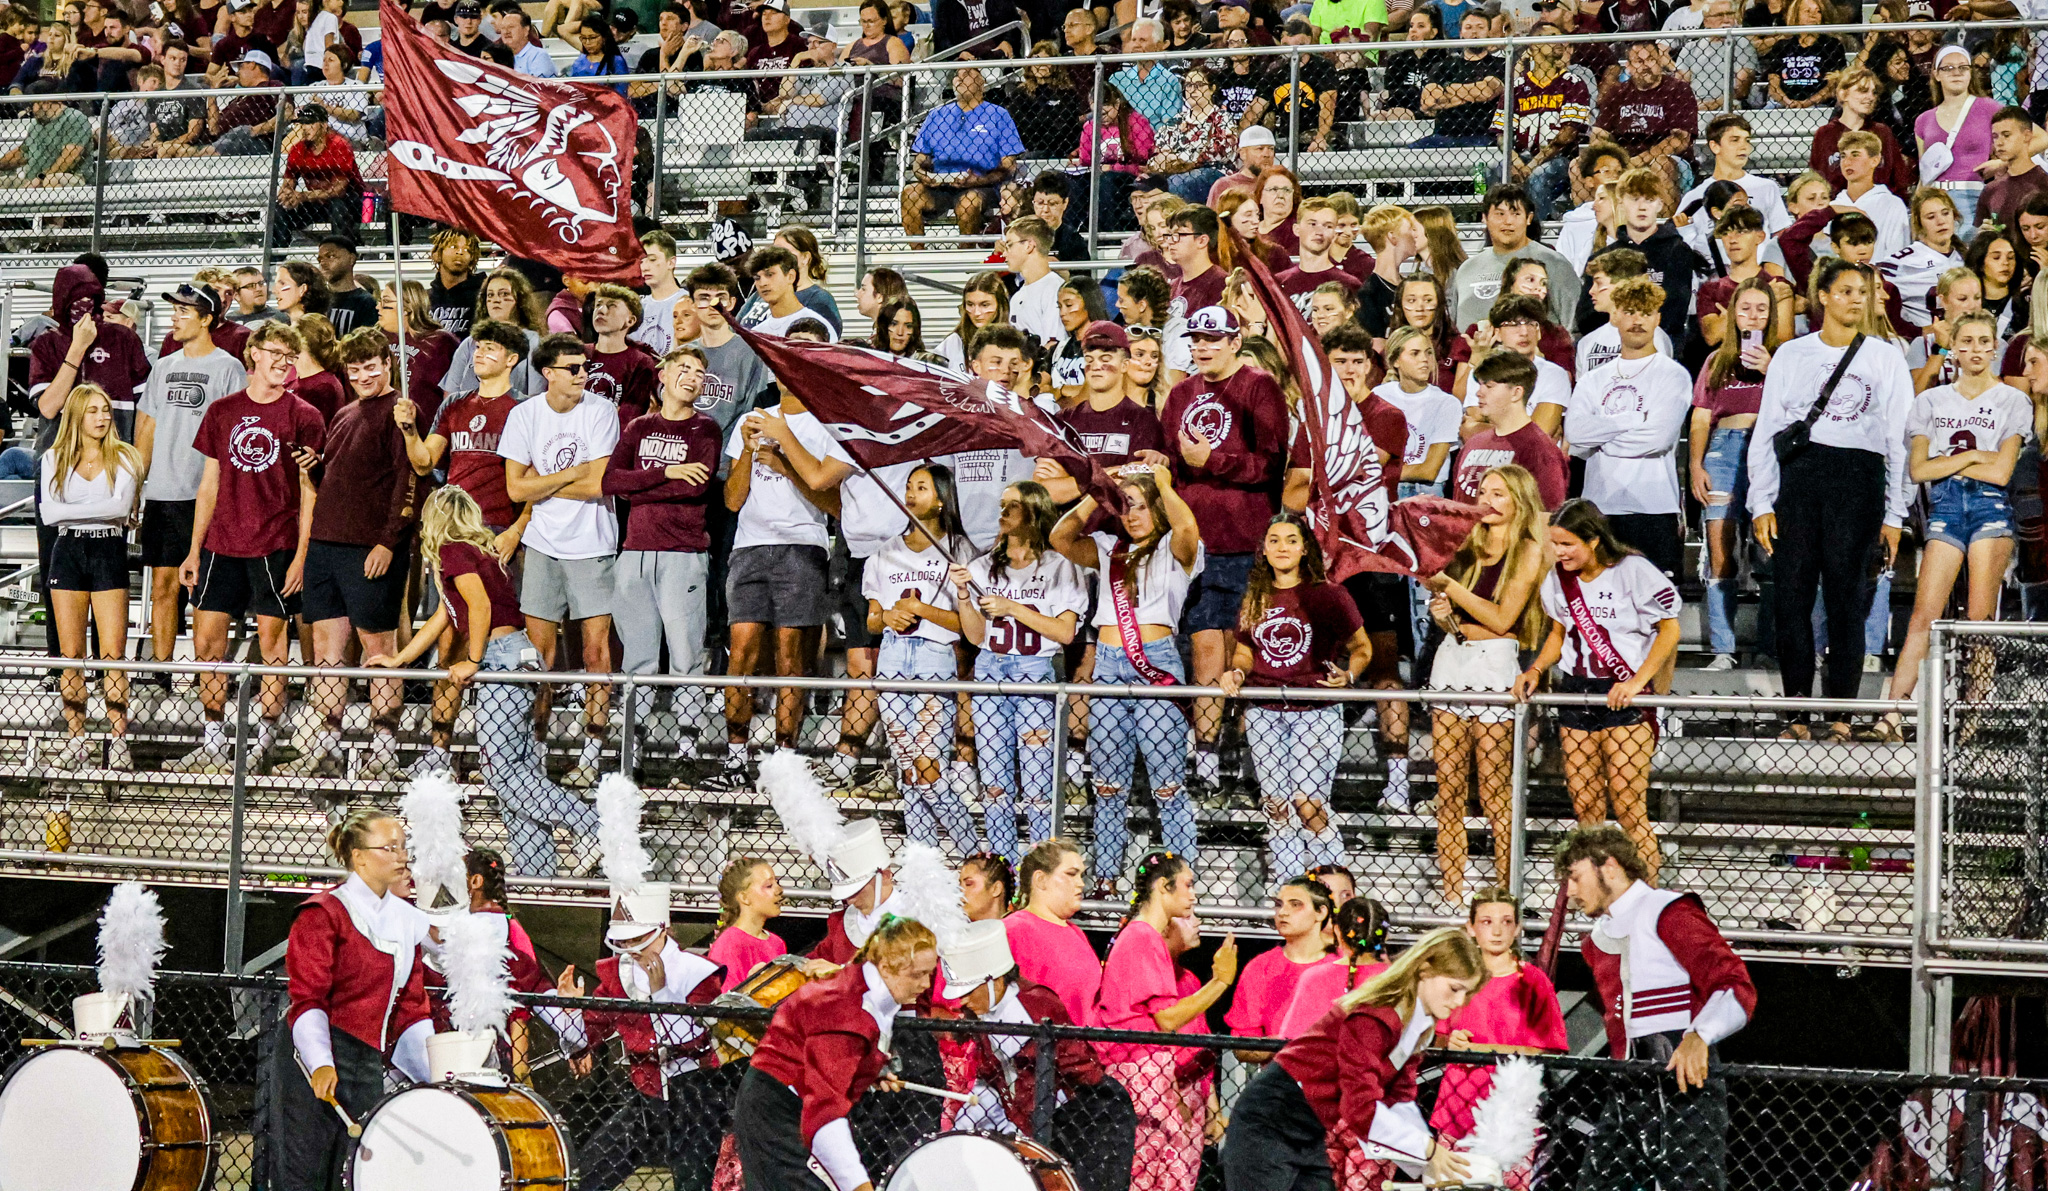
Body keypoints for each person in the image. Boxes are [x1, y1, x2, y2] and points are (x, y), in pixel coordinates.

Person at [370, 485, 601, 873]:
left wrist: (473, 660)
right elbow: (447, 614)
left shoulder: (453, 551)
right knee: (519, 771)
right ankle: (537, 869)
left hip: (501, 658)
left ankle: (593, 828)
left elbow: (479, 606)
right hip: (516, 654)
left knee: (503, 772)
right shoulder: (478, 551)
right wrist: (400, 659)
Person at [1748, 258, 1914, 740]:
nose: (1855, 300)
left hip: (1858, 478)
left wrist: (1894, 511)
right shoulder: (1793, 354)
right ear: (1822, 296)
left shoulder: (1884, 357)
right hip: (1800, 478)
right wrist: (1762, 501)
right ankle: (1797, 713)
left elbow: (1898, 440)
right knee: (1792, 598)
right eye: (1844, 291)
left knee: (1847, 599)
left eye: (1862, 292)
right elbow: (1767, 430)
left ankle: (1841, 713)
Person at [1559, 824, 1756, 1191]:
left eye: (1574, 877)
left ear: (1611, 866)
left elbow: (1734, 983)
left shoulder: (1668, 911)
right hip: (1628, 1082)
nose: (1568, 892)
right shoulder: (1597, 939)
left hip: (1683, 1074)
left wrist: (1700, 1035)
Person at [163, 321, 321, 776]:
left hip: (275, 543)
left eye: (290, 357)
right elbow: (208, 484)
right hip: (221, 544)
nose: (282, 363)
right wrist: (194, 549)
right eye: (275, 353)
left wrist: (302, 556)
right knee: (206, 640)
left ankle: (264, 740)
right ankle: (213, 740)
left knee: (273, 645)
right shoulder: (223, 410)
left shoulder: (304, 415)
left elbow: (310, 493)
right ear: (253, 354)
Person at [1222, 926, 1484, 1191]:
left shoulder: (1418, 1025)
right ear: (1424, 969)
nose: (1460, 1002)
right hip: (1271, 1118)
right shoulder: (1378, 1014)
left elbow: (1398, 1100)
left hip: (1308, 1127)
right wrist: (1427, 1150)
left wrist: (1432, 1162)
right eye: (1454, 988)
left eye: (1467, 993)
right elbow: (1361, 1106)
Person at [1874, 310, 2032, 735]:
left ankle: (1971, 720)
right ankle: (1892, 713)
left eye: (1985, 341)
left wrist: (1952, 464)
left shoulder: (2013, 400)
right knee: (1924, 615)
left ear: (1995, 347)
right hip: (1945, 508)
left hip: (1990, 508)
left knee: (1980, 618)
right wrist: (1971, 457)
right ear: (1955, 349)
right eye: (1968, 342)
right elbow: (1919, 470)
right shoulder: (1930, 400)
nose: (1977, 349)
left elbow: (2002, 472)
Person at [710, 324, 853, 789]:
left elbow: (835, 506)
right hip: (748, 548)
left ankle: (786, 760)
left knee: (793, 660)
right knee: (742, 653)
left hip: (803, 547)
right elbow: (731, 501)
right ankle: (736, 757)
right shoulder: (754, 419)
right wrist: (751, 455)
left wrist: (786, 465)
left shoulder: (831, 424)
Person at [1161, 305, 1290, 798]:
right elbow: (1173, 465)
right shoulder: (1179, 394)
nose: (1202, 347)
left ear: (1237, 341)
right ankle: (1209, 756)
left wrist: (1212, 460)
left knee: (1244, 650)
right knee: (1203, 647)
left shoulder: (1259, 387)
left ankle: (1248, 756)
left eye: (1213, 339)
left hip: (1245, 541)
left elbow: (1271, 464)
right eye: (1196, 339)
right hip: (1194, 544)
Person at [1051, 467, 1203, 886]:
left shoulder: (1176, 547)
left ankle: (1182, 881)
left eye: (1140, 506)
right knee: (1107, 787)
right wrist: (1097, 494)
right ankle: (1105, 879)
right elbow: (1060, 538)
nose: (1131, 515)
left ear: (1157, 507)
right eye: (1124, 506)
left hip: (1155, 663)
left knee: (1168, 787)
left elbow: (1186, 524)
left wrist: (1165, 484)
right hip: (1108, 665)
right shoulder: (1107, 547)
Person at [1515, 499, 1681, 881]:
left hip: (1623, 696)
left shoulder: (1633, 571)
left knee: (1628, 807)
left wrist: (1638, 681)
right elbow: (1559, 631)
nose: (1559, 552)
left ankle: (1647, 899)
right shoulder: (1558, 578)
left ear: (1592, 540)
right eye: (1554, 544)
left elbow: (1669, 628)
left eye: (1567, 544)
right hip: (1577, 693)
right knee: (1586, 808)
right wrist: (1538, 668)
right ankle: (1596, 895)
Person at [282, 329, 421, 783]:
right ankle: (326, 746)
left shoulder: (401, 414)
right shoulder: (343, 413)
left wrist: (388, 541)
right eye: (355, 369)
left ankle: (383, 748)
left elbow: (410, 481)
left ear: (388, 362)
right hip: (326, 545)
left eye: (371, 366)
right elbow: (337, 481)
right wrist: (315, 466)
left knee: (380, 650)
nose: (364, 375)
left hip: (369, 549)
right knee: (326, 649)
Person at [276, 808, 433, 1191]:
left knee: (356, 1173)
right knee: (305, 1172)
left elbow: (410, 1007)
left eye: (403, 847)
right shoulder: (323, 913)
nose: (402, 857)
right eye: (389, 848)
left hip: (365, 1059)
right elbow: (307, 999)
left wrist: (434, 1077)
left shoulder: (407, 919)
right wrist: (320, 1064)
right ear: (359, 856)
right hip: (316, 1055)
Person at [543, 886, 728, 1191]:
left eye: (637, 939)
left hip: (696, 1099)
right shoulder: (618, 975)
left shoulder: (697, 972)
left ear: (662, 928)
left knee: (693, 1182)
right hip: (644, 1098)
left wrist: (662, 995)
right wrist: (570, 1011)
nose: (631, 948)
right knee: (587, 1177)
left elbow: (692, 1039)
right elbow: (588, 1034)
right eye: (624, 941)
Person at [734, 916, 938, 1191]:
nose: (926, 984)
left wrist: (870, 1071)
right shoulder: (846, 1014)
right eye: (917, 975)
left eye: (929, 973)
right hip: (776, 1105)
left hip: (789, 1096)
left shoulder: (866, 985)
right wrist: (860, 1186)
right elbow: (824, 1117)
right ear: (888, 967)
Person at [498, 332, 621, 790]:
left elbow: (597, 485)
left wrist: (543, 479)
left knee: (595, 653)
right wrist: (574, 472)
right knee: (539, 657)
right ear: (547, 373)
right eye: (573, 369)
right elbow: (514, 490)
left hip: (592, 543)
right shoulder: (524, 414)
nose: (583, 375)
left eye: (584, 367)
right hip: (543, 544)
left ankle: (593, 751)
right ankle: (536, 749)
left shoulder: (600, 410)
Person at [1218, 515, 1369, 878]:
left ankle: (1332, 884)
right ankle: (1287, 887)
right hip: (1265, 710)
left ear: (1305, 549)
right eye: (1274, 540)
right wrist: (1236, 670)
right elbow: (1245, 649)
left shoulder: (1329, 594)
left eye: (1290, 540)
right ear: (1264, 549)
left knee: (1308, 804)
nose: (1282, 547)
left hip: (1314, 710)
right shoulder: (1255, 595)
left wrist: (1348, 675)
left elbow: (1362, 647)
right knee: (1276, 805)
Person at [1424, 466, 1549, 904]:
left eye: (1500, 493)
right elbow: (1455, 614)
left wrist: (1450, 588)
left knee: (1496, 790)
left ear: (1519, 500)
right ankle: (1452, 894)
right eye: (1483, 491)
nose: (1488, 499)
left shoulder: (1530, 549)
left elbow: (1501, 619)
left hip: (1495, 666)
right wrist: (1443, 613)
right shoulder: (1467, 545)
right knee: (1448, 788)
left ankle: (1504, 892)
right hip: (1452, 659)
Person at [950, 481, 1085, 862]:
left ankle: (1041, 865)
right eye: (1002, 504)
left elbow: (1065, 631)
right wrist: (964, 596)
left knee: (1038, 780)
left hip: (1035, 671)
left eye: (1014, 505)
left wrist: (1015, 608)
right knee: (994, 781)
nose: (1003, 511)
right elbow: (976, 637)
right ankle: (1003, 864)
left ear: (1035, 512)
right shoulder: (981, 567)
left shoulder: (1059, 566)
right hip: (991, 668)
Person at [1094, 850, 1237, 1191]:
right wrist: (1220, 981)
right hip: (1139, 1071)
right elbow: (1167, 1019)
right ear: (1163, 887)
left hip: (1147, 1071)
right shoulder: (1143, 936)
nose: (1193, 894)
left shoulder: (1145, 936)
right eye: (1187, 885)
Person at [602, 345, 722, 738]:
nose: (692, 376)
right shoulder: (638, 427)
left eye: (699, 372)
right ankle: (629, 751)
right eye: (684, 368)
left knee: (685, 657)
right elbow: (612, 482)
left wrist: (642, 485)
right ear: (665, 376)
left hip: (682, 554)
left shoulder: (706, 429)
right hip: (634, 553)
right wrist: (669, 470)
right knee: (638, 660)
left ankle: (688, 752)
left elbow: (697, 487)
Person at [133, 284, 243, 695]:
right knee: (162, 587)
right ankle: (160, 674)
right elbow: (146, 429)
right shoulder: (162, 367)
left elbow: (236, 432)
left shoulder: (229, 368)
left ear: (207, 318)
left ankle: (206, 676)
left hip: (205, 494)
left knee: (207, 593)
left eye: (184, 311)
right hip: (162, 494)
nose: (176, 317)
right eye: (175, 310)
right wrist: (136, 488)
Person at [864, 464, 979, 854]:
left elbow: (968, 625)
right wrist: (888, 616)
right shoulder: (884, 553)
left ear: (942, 498)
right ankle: (923, 862)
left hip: (934, 658)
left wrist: (921, 610)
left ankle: (973, 854)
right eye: (909, 487)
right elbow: (873, 620)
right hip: (893, 661)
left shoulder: (960, 551)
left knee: (929, 769)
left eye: (922, 488)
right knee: (910, 773)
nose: (911, 494)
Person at [40, 383, 140, 771]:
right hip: (66, 552)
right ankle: (76, 739)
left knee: (113, 655)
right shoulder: (54, 458)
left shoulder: (125, 457)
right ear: (77, 416)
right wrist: (95, 510)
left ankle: (118, 741)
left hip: (107, 551)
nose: (101, 417)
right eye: (93, 411)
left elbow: (120, 506)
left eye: (105, 410)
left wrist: (74, 510)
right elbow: (50, 515)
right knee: (71, 657)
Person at [1565, 277, 1693, 579]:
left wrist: (1604, 437)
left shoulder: (1673, 375)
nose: (1637, 320)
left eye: (1646, 312)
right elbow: (1576, 435)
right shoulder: (1593, 379)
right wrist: (1633, 420)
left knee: (1656, 609)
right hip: (1599, 508)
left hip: (1654, 507)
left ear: (1658, 318)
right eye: (1630, 311)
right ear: (1615, 315)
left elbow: (1657, 439)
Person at [1429, 889, 1568, 1149]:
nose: (1497, 931)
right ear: (1470, 928)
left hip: (1511, 1113)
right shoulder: (1455, 977)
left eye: (1506, 922)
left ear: (1517, 929)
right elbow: (1437, 1037)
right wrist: (1449, 1042)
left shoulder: (1533, 981)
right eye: (1486, 922)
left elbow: (1550, 1050)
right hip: (1458, 1109)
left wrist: (1481, 1051)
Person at [1691, 276, 1781, 670]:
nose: (1753, 315)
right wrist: (1695, 465)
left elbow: (1797, 405)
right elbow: (1700, 418)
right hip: (1723, 451)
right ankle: (1723, 649)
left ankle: (1767, 648)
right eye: (1745, 308)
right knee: (1720, 551)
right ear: (1732, 314)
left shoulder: (1786, 356)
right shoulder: (1715, 360)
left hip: (1769, 452)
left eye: (1762, 308)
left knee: (1769, 553)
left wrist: (1772, 368)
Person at [901, 66, 1024, 242]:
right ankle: (917, 253)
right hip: (940, 184)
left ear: (982, 84)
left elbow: (1008, 165)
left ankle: (966, 251)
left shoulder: (998, 115)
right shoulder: (936, 115)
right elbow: (920, 159)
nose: (960, 78)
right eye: (957, 75)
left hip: (981, 184)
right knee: (910, 193)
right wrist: (922, 174)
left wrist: (979, 180)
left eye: (967, 74)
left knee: (969, 202)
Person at [1225, 875, 1337, 1052]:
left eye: (1295, 905)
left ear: (1321, 912)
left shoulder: (1344, 966)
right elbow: (1243, 1047)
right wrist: (1286, 1043)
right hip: (1279, 1074)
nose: (1283, 912)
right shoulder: (1260, 968)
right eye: (1279, 904)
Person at [1450, 186, 1579, 329]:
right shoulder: (1467, 269)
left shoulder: (1553, 263)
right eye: (1500, 214)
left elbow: (1573, 325)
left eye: (1516, 214)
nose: (1508, 221)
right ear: (1484, 218)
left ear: (1528, 218)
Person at [1454, 352, 1569, 509]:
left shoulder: (1541, 450)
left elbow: (1547, 514)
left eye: (1489, 386)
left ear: (1516, 393)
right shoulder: (1474, 443)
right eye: (1480, 385)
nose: (1479, 393)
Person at [1004, 839, 1101, 1024]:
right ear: (1041, 879)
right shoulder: (1014, 930)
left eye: (1081, 875)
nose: (1081, 883)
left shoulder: (1076, 932)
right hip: (1041, 1048)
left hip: (1083, 1047)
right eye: (1071, 874)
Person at [1918, 44, 1995, 232]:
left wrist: (2002, 163)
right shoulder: (1924, 120)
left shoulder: (1988, 108)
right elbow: (1925, 172)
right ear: (1937, 74)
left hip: (1972, 198)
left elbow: (2036, 137)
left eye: (1963, 67)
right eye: (1948, 68)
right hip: (1935, 201)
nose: (1956, 73)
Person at [1881, 186, 1967, 332]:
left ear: (1955, 216)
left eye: (1945, 213)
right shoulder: (1900, 264)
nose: (1941, 221)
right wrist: (1919, 332)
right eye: (1931, 217)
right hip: (1923, 347)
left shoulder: (1968, 258)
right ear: (1919, 223)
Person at [275, 103, 361, 238]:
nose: (304, 128)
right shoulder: (297, 149)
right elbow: (288, 183)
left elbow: (339, 190)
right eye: (302, 123)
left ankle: (341, 250)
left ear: (324, 125)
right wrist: (287, 195)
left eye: (310, 123)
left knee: (338, 206)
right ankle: (277, 257)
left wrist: (303, 196)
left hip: (351, 201)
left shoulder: (339, 146)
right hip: (317, 203)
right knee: (279, 208)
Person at [709, 856, 791, 991]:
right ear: (744, 897)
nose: (779, 890)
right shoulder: (730, 943)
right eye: (769, 886)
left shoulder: (777, 943)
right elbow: (726, 1002)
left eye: (777, 883)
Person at [936, 271, 1009, 372]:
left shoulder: (1014, 342)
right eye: (970, 304)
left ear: (1000, 305)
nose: (976, 312)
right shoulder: (953, 343)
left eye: (984, 305)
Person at [959, 853, 1014, 921]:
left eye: (969, 884)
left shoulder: (1019, 929)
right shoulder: (953, 929)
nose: (960, 891)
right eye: (959, 884)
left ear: (996, 889)